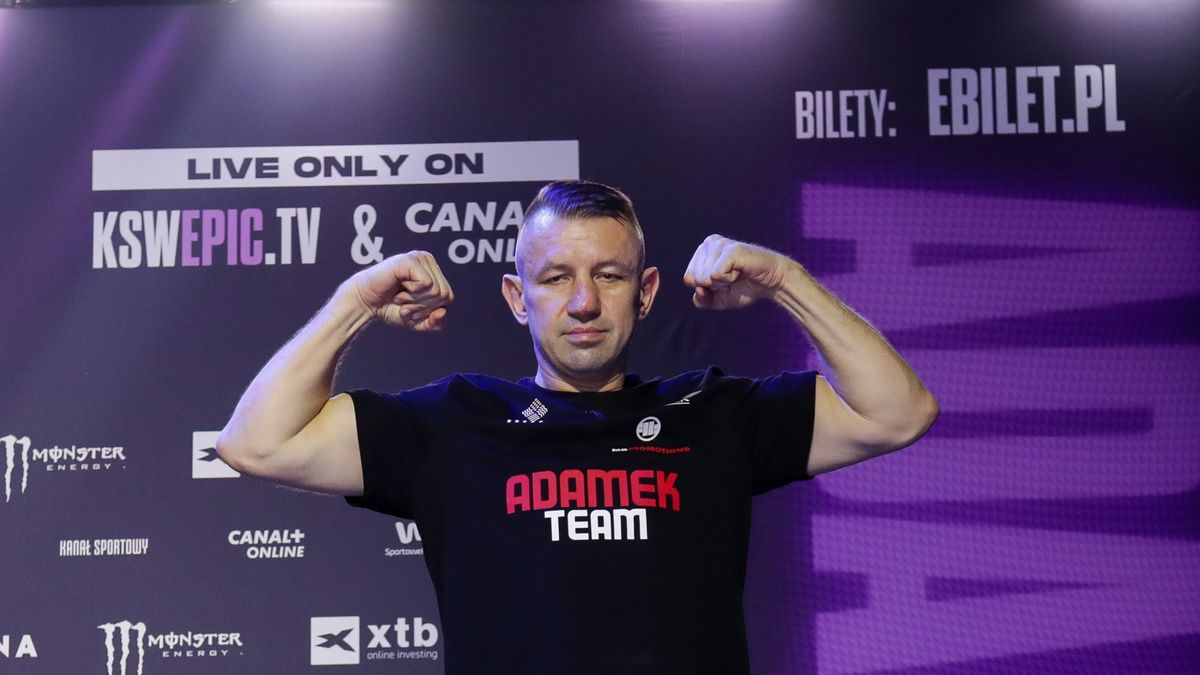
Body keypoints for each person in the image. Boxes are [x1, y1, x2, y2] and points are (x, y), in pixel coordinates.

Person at [217, 180, 938, 675]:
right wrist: (355, 301)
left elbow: (898, 411)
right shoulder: (453, 422)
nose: (585, 301)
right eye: (556, 276)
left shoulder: (716, 413)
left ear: (647, 291)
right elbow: (257, 441)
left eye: (611, 275)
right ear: (517, 297)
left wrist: (787, 280)